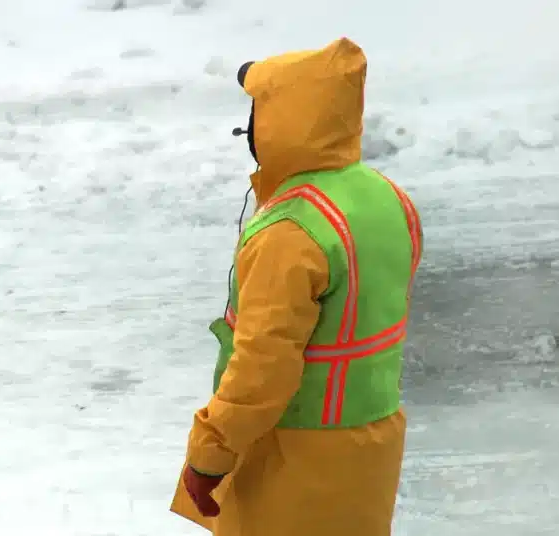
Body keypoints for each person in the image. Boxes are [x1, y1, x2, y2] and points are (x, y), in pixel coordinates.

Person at [169, 37, 423, 536]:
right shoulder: (387, 198)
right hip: (370, 449)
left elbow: (262, 366)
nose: (250, 127)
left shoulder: (291, 231)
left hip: (294, 459)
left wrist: (209, 455)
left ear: (283, 120)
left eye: (258, 111)